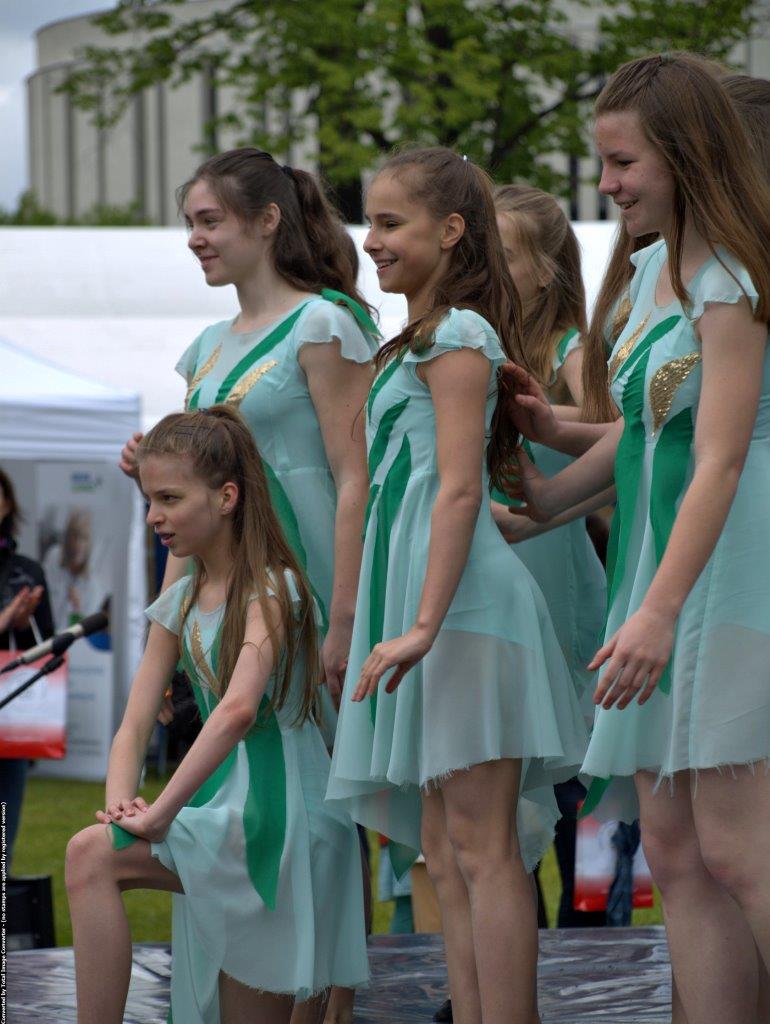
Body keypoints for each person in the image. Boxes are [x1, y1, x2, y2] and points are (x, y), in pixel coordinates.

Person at [510, 53, 770, 1024]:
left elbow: (721, 458)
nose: (607, 183)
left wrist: (658, 611)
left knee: (740, 848)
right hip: (662, 574)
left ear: (689, 154)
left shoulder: (733, 278)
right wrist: (542, 471)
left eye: (623, 162)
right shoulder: (662, 270)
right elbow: (647, 436)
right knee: (675, 849)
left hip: (729, 574)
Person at [326, 147, 588, 1024]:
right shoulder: (420, 339)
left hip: (463, 615)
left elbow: (457, 490)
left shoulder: (461, 335)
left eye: (390, 222)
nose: (372, 240)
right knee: (446, 845)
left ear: (449, 230)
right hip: (432, 612)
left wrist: (423, 625)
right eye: (370, 221)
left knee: (481, 848)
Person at [119, 149, 379, 1022]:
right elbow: (192, 483)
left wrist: (344, 617)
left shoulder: (324, 325)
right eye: (190, 223)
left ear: (268, 220)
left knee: (327, 803)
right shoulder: (205, 349)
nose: (196, 239)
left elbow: (354, 476)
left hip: (311, 593)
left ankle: (324, 1008)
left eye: (210, 221)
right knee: (244, 797)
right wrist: (171, 616)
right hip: (225, 601)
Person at [65, 406, 368, 1024]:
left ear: (227, 497)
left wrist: (158, 816)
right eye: (149, 500)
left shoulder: (276, 588)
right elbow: (133, 724)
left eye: (170, 498)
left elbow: (236, 711)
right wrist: (123, 807)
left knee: (91, 855)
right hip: (227, 814)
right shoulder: (178, 602)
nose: (153, 517)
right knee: (92, 851)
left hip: (285, 820)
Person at [0, 466, 54, 866]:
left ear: (7, 506)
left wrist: (23, 625)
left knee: (5, 825)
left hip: (10, 711)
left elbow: (48, 644)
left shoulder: (27, 571)